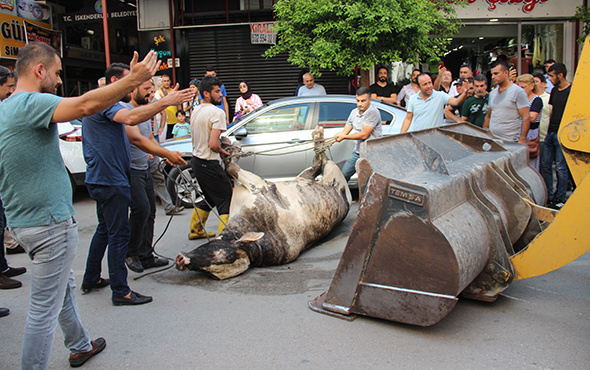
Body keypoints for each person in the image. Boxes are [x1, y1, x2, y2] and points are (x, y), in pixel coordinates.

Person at [0, 41, 160, 369]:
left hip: (25, 221)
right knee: (43, 310)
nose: (59, 81)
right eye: (57, 74)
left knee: (64, 289)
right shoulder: (31, 102)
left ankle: (80, 345)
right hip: (48, 222)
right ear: (39, 70)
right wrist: (132, 80)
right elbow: (86, 104)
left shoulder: (6, 108)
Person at [81, 62, 192, 306]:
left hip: (103, 177)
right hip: (110, 179)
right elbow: (131, 121)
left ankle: (91, 277)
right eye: (130, 81)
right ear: (114, 83)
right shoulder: (106, 102)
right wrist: (165, 101)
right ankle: (121, 291)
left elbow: (141, 136)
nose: (132, 88)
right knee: (119, 233)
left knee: (105, 229)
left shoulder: (104, 103)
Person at [122, 80, 187, 273]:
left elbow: (149, 137)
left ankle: (146, 254)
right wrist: (167, 154)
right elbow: (135, 138)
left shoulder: (144, 113)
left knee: (150, 211)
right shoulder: (127, 111)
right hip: (131, 169)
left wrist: (164, 154)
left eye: (152, 89)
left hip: (145, 168)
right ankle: (130, 253)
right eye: (146, 90)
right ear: (133, 90)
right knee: (140, 209)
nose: (150, 93)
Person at [188, 75, 233, 239]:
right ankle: (225, 237)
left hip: (197, 162)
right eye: (216, 92)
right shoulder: (217, 112)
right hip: (209, 163)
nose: (220, 95)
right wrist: (222, 150)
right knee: (226, 197)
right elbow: (213, 144)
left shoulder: (196, 110)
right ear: (206, 93)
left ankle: (196, 230)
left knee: (209, 197)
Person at [540, 62, 571, 210]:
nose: (550, 79)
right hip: (551, 132)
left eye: (551, 76)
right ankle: (549, 195)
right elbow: (552, 111)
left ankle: (560, 197)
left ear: (560, 75)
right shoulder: (555, 91)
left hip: (563, 133)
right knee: (546, 165)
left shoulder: (572, 91)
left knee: (560, 167)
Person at [335, 87, 382, 181]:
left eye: (363, 101)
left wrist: (345, 137)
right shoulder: (354, 112)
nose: (360, 104)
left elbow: (364, 134)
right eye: (358, 101)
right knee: (343, 176)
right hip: (358, 151)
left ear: (370, 100)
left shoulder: (373, 112)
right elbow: (344, 131)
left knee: (367, 181)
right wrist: (327, 141)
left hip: (371, 153)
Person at [401, 73, 471, 133]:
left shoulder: (440, 95)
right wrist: (401, 135)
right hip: (419, 138)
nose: (429, 86)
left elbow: (456, 102)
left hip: (435, 138)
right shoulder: (413, 98)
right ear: (418, 87)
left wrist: (465, 92)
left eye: (430, 83)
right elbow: (408, 118)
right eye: (425, 84)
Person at [482, 60, 531, 144]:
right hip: (493, 140)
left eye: (496, 73)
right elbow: (488, 116)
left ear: (506, 73)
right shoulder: (493, 93)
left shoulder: (518, 92)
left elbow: (526, 117)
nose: (493, 77)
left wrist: (522, 140)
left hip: (510, 141)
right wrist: (484, 135)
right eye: (492, 74)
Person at [516, 74, 543, 171]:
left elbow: (531, 117)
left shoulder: (536, 100)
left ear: (532, 86)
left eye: (523, 87)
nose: (521, 90)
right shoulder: (519, 99)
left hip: (530, 133)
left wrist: (522, 112)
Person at [154, 73, 182, 139]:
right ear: (161, 82)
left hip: (175, 120)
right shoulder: (157, 92)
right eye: (164, 81)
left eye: (167, 81)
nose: (166, 83)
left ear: (170, 81)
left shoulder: (174, 91)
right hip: (164, 122)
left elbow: (178, 105)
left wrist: (180, 116)